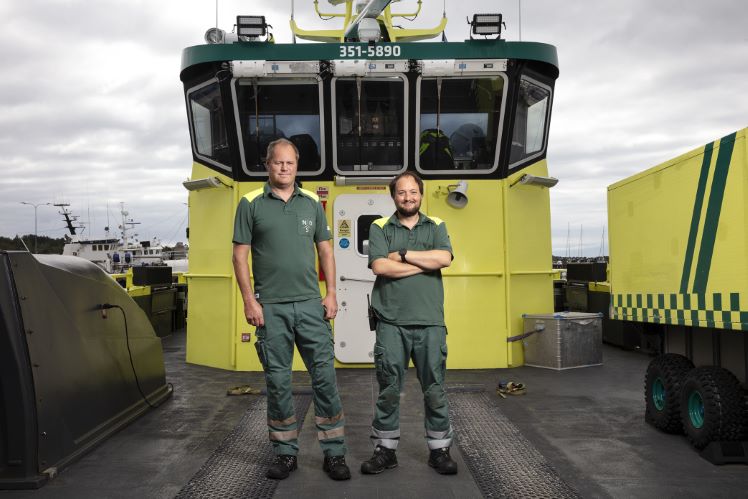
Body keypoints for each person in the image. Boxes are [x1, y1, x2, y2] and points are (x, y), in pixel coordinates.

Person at [232, 138, 350, 481]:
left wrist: (330, 293)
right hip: (271, 309)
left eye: (290, 164)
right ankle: (285, 453)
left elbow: (326, 251)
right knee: (278, 382)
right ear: (267, 165)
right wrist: (249, 300)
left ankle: (335, 454)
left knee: (325, 379)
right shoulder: (250, 203)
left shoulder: (312, 202)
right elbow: (240, 256)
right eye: (278, 163)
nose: (284, 169)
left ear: (297, 167)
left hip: (311, 307)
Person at [361, 171, 458, 475]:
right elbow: (379, 266)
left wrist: (402, 255)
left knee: (435, 388)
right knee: (389, 386)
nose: (408, 198)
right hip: (391, 322)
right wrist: (422, 265)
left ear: (421, 194)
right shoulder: (380, 226)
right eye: (402, 193)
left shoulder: (437, 225)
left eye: (413, 192)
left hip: (430, 322)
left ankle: (439, 450)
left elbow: (443, 258)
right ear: (394, 197)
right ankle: (385, 451)